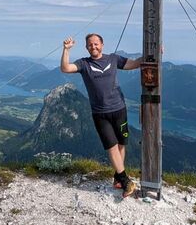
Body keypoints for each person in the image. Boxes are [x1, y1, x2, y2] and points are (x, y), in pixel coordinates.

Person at [60, 33, 141, 198]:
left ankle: (118, 177)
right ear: (86, 47)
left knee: (121, 144)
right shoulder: (84, 64)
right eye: (90, 45)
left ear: (102, 45)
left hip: (119, 109)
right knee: (111, 146)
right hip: (100, 114)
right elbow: (65, 68)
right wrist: (66, 50)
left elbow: (134, 64)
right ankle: (125, 180)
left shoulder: (113, 59)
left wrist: (153, 54)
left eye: (96, 44)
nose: (93, 47)